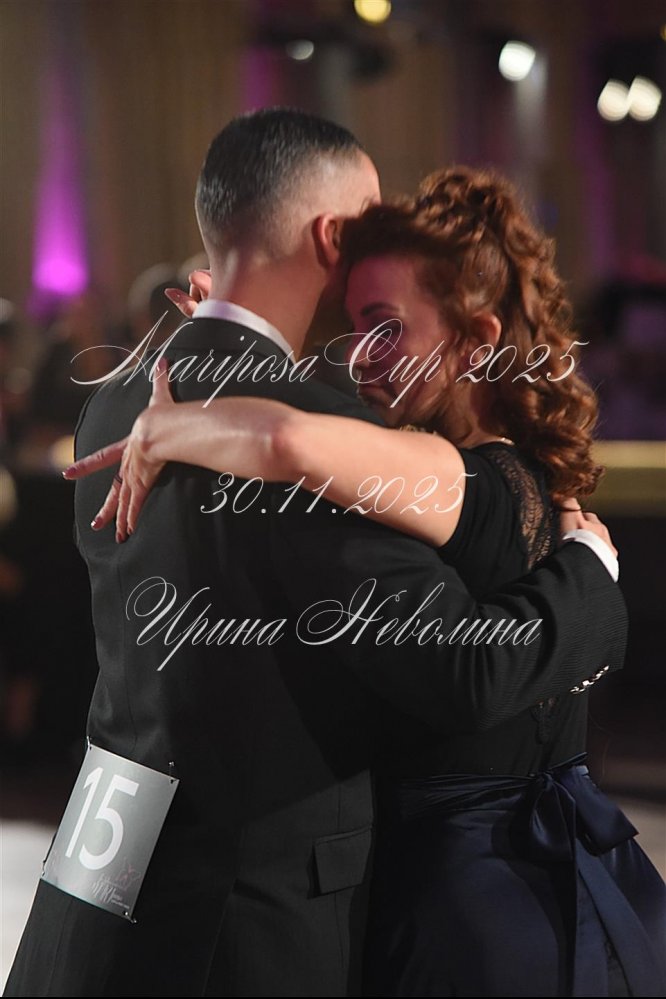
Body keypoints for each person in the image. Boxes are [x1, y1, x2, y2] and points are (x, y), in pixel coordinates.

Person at [5, 112, 627, 999]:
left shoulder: (121, 394)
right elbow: (461, 665)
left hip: (97, 883)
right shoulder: (334, 436)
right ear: (335, 237)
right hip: (243, 919)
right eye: (370, 226)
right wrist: (590, 576)